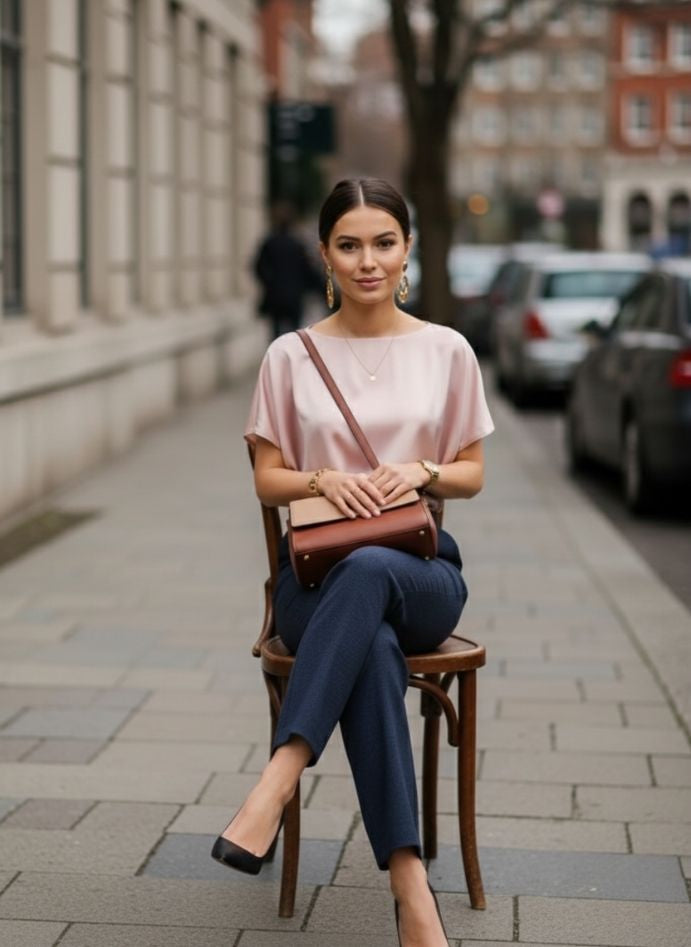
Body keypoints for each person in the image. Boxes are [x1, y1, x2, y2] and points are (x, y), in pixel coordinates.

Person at [213, 178, 494, 946]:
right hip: (312, 579)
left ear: (406, 250)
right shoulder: (289, 355)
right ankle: (410, 888)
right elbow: (266, 478)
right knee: (367, 642)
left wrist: (421, 471)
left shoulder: (445, 349)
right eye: (348, 245)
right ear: (324, 255)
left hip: (419, 575)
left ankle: (277, 779)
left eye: (382, 243)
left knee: (371, 573)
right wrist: (321, 481)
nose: (367, 261)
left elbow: (471, 473)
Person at [253, 201, 322, 340]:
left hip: (275, 296)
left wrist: (269, 283)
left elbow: (258, 267)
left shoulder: (269, 243)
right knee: (295, 334)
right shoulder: (297, 245)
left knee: (275, 332)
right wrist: (321, 289)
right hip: (294, 297)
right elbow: (308, 270)